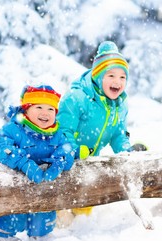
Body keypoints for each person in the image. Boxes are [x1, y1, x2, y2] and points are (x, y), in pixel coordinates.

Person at [56, 41, 147, 226]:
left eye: (123, 77)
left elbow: (117, 134)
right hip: (62, 165)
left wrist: (127, 152)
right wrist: (74, 150)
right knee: (62, 217)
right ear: (98, 76)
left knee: (82, 215)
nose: (117, 81)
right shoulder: (77, 98)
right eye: (111, 75)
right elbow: (62, 131)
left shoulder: (120, 105)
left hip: (89, 165)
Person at [0, 84, 75, 241]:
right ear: (26, 110)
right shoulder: (16, 128)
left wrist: (59, 162)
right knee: (13, 213)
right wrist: (23, 162)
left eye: (50, 109)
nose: (45, 113)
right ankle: (0, 236)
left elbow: (69, 149)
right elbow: (0, 143)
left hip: (44, 188)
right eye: (39, 107)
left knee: (43, 216)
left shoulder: (58, 134)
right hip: (16, 187)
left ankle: (41, 238)